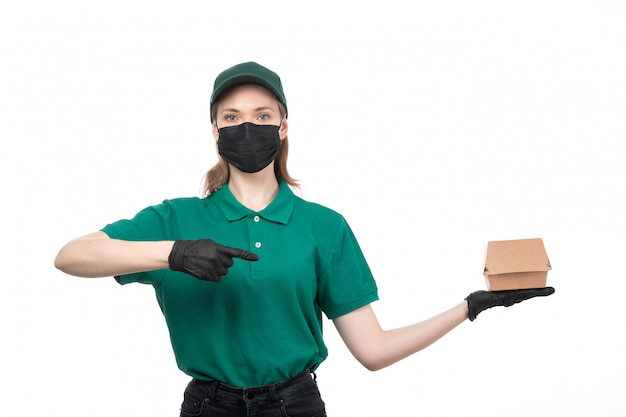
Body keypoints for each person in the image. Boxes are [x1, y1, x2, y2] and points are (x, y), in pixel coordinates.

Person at [54, 61, 555, 417]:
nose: (246, 126)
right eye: (231, 118)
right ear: (214, 131)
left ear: (284, 126)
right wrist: (173, 253)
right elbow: (72, 255)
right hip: (208, 406)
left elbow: (373, 351)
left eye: (262, 115)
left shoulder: (324, 226)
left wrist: (468, 307)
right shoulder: (175, 218)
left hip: (294, 406)